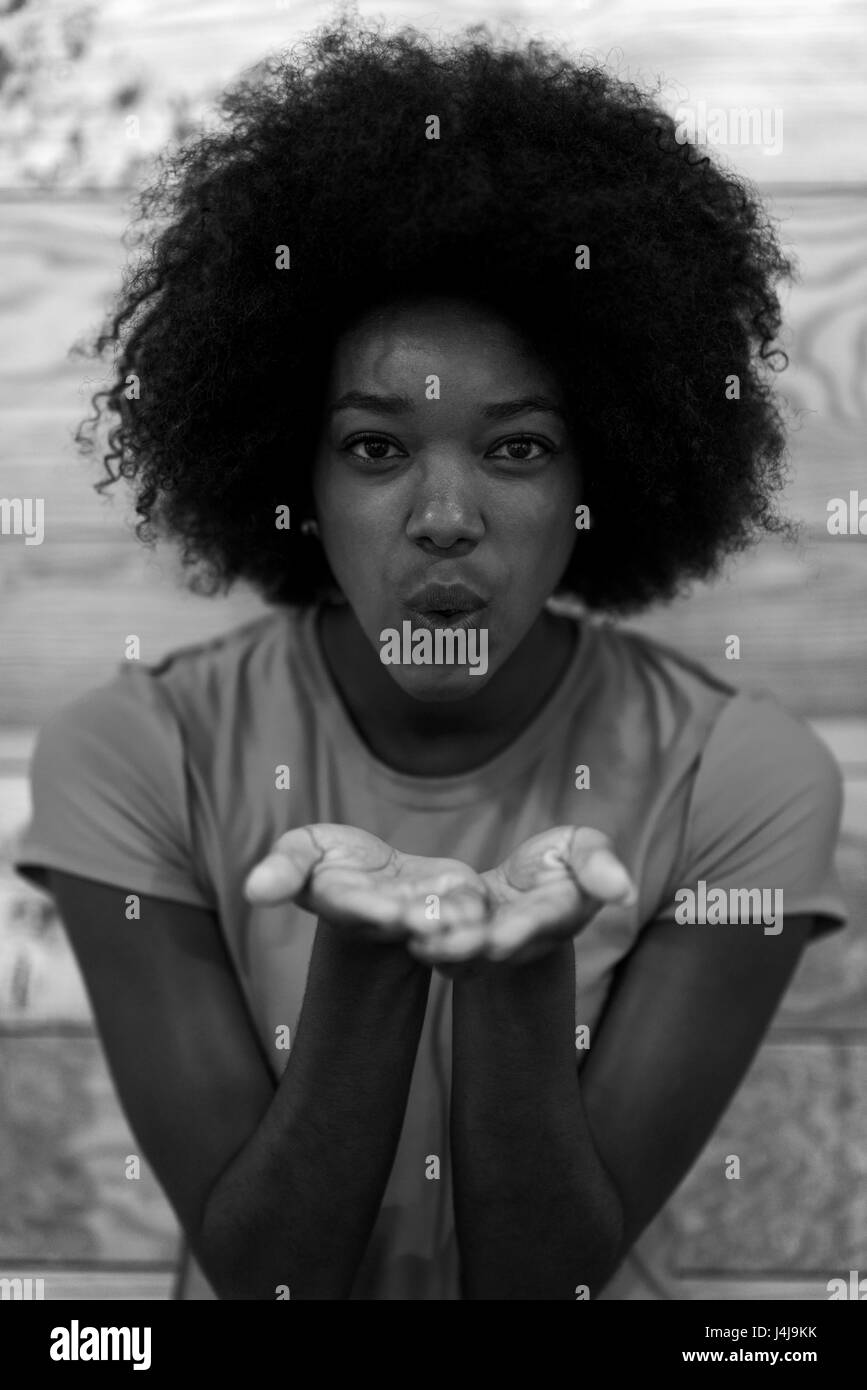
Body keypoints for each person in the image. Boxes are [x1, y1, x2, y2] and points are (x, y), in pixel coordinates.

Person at [14, 19, 847, 1300]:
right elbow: (266, 1274)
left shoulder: (743, 775)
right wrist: (368, 959)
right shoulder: (132, 755)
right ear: (288, 467)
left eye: (515, 448)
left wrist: (516, 972)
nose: (445, 516)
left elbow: (543, 1281)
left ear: (600, 477)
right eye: (374, 447)